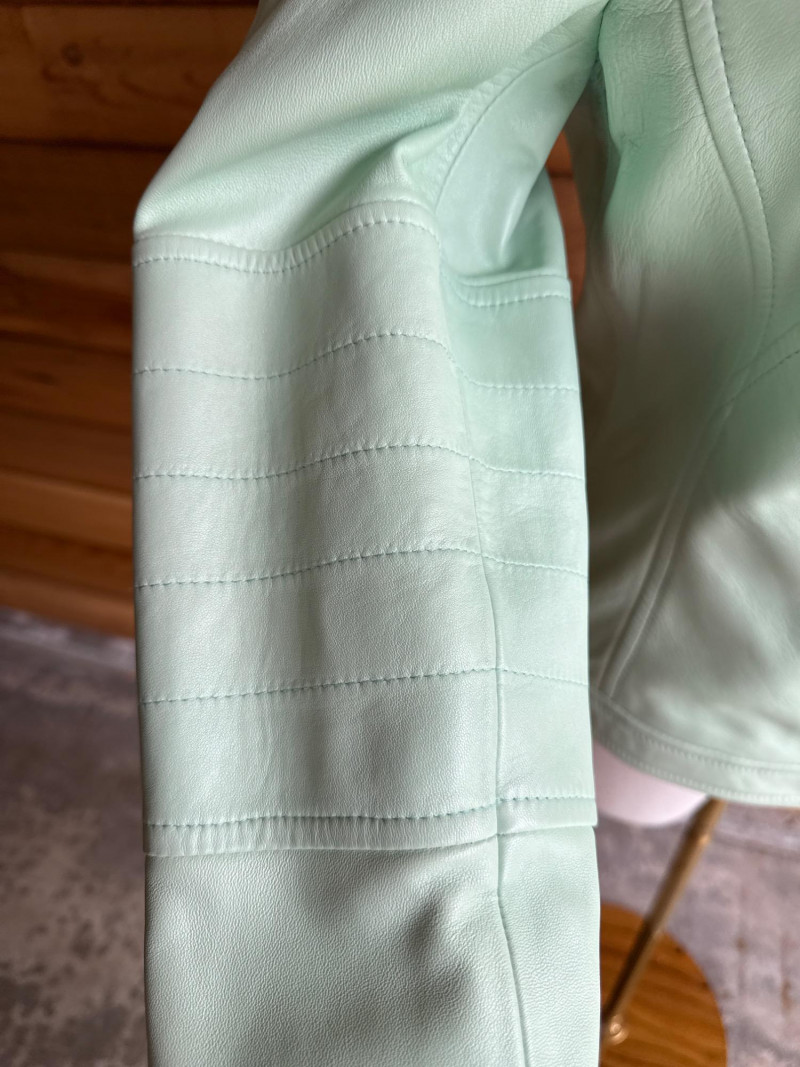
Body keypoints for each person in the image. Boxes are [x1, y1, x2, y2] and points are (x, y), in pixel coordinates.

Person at [132, 0, 800, 1062]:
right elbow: (356, 149)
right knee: (632, 798)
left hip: (730, 635)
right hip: (676, 620)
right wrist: (413, 1013)